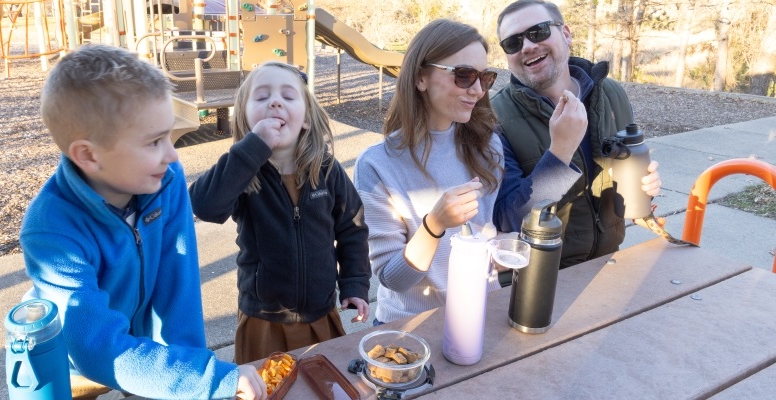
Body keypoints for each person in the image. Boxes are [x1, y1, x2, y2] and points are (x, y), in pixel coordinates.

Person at [20, 44, 265, 400]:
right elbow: (96, 347)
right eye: (153, 142)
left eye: (169, 135)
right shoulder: (51, 230)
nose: (172, 154)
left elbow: (177, 284)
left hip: (143, 348)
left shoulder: (165, 179)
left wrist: (196, 374)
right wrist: (209, 381)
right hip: (73, 358)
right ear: (88, 155)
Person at [189, 61, 371, 363]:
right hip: (263, 320)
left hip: (320, 314)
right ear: (246, 121)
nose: (275, 102)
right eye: (261, 98)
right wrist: (251, 150)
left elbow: (352, 228)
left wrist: (354, 284)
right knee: (265, 389)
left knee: (324, 385)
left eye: (288, 96)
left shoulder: (326, 170)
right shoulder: (243, 172)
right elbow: (204, 205)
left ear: (306, 119)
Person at [353, 19, 505, 325]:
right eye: (464, 76)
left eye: (485, 78)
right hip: (410, 327)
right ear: (421, 77)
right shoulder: (376, 165)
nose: (477, 90)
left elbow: (483, 238)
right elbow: (392, 278)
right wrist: (434, 224)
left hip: (482, 313)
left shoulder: (488, 147)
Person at [491, 0, 663, 269]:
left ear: (566, 34)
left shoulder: (611, 93)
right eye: (513, 43)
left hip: (609, 261)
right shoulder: (496, 117)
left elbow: (625, 176)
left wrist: (645, 187)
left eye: (538, 32)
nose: (527, 46)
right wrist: (560, 153)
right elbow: (508, 219)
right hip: (538, 277)